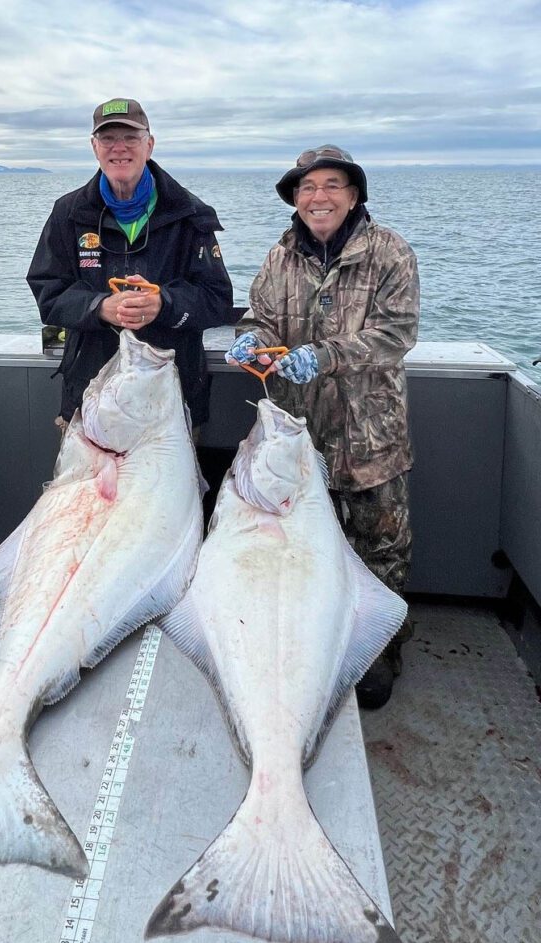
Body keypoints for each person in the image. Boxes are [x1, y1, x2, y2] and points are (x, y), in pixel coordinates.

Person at [226, 144, 419, 709]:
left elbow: (397, 333)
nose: (319, 197)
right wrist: (253, 341)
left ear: (354, 194)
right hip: (296, 437)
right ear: (295, 198)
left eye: (332, 185)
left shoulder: (390, 253)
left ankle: (379, 646)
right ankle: (312, 640)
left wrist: (326, 355)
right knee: (301, 543)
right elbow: (259, 316)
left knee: (381, 545)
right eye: (308, 188)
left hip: (370, 434)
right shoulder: (279, 256)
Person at [26, 97, 233, 433]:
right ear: (94, 147)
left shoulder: (192, 215)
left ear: (149, 145)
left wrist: (164, 304)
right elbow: (47, 293)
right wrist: (99, 307)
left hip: (171, 407)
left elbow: (217, 300)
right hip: (89, 402)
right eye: (108, 138)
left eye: (130, 137)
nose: (118, 148)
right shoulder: (67, 214)